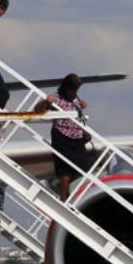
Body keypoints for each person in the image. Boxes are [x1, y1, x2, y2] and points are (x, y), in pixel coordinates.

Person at [34, 73, 90, 201]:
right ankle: (63, 200)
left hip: (76, 136)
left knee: (83, 169)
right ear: (66, 87)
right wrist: (45, 103)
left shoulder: (75, 98)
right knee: (65, 172)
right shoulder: (56, 97)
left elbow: (78, 117)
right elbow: (37, 110)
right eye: (73, 89)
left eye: (76, 89)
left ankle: (61, 185)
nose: (74, 92)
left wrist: (84, 130)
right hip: (62, 136)